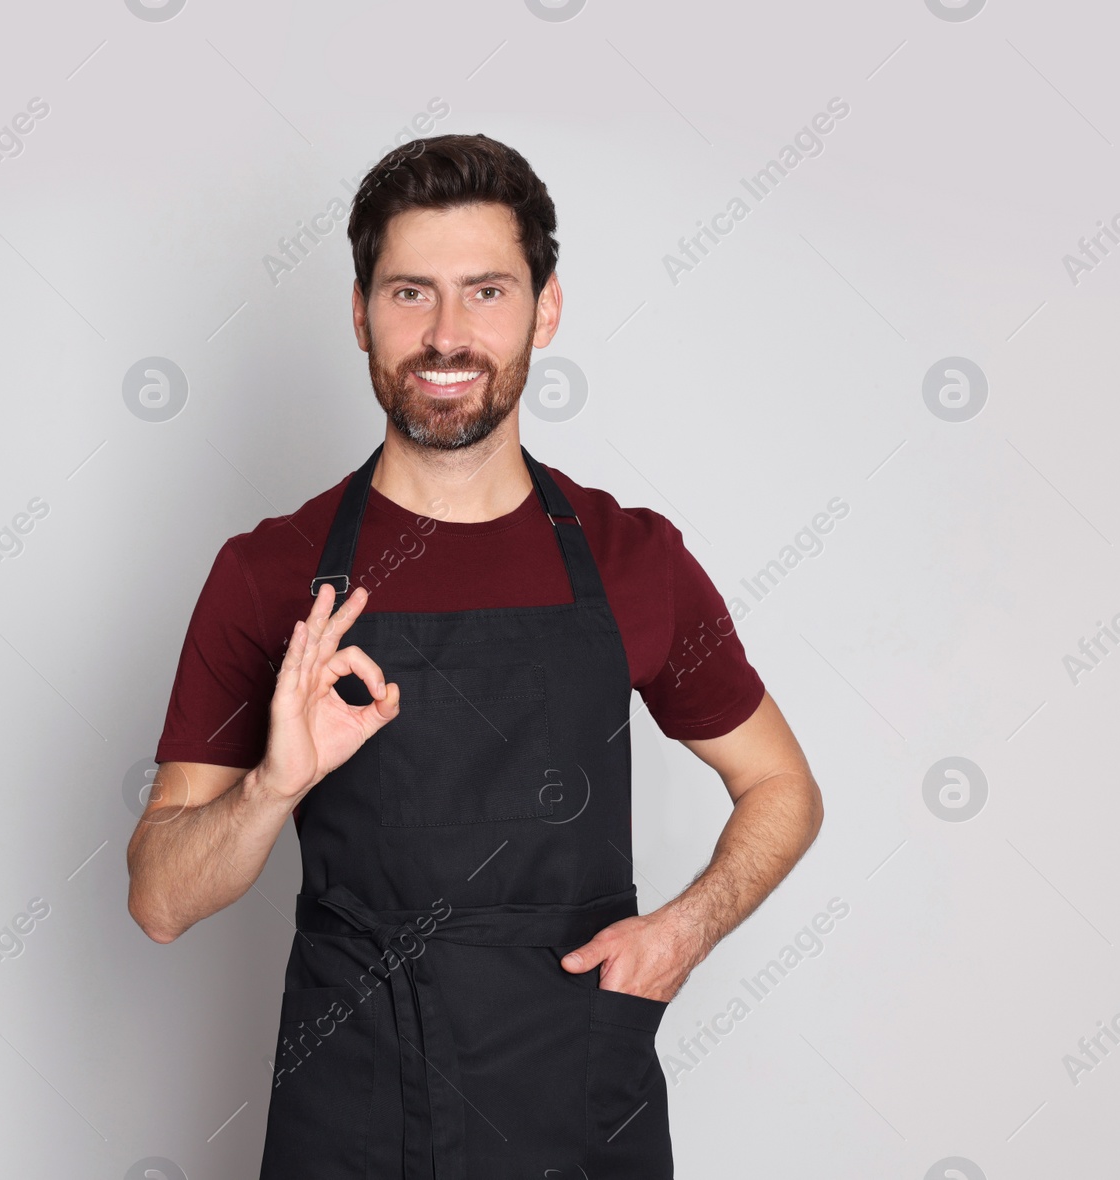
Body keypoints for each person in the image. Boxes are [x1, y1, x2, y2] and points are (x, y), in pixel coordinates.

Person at [126, 132, 824, 1179]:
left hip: (577, 1103)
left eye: (485, 291)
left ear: (544, 309)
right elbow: (160, 901)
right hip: (351, 1102)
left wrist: (685, 929)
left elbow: (783, 787)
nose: (446, 334)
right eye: (410, 293)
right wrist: (273, 784)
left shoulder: (634, 558)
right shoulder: (269, 574)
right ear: (358, 312)